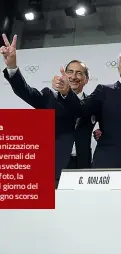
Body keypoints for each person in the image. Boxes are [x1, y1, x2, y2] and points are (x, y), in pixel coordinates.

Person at [0, 34, 95, 188]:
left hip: (83, 168)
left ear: (86, 79)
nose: (73, 76)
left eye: (79, 73)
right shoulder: (49, 97)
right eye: (70, 72)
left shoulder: (92, 102)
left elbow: (100, 118)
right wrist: (12, 66)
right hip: (54, 168)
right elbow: (25, 91)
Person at [53, 48, 121, 182]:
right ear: (118, 67)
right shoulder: (104, 90)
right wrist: (67, 93)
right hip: (110, 162)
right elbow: (82, 109)